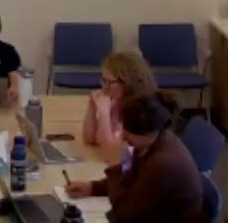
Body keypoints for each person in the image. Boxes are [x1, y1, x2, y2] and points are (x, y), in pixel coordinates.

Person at [65, 93, 205, 222]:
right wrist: (92, 187)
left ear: (150, 132)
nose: (123, 137)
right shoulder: (151, 142)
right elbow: (127, 178)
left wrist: (118, 171)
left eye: (130, 132)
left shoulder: (162, 163)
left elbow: (124, 213)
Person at [82, 50, 159, 164]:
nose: (104, 87)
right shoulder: (116, 101)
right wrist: (92, 106)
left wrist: (104, 114)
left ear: (127, 83)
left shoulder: (139, 112)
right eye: (103, 80)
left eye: (109, 82)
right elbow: (89, 138)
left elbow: (116, 159)